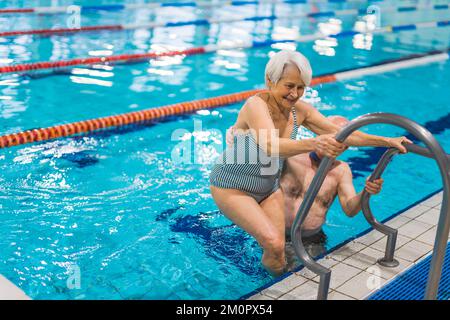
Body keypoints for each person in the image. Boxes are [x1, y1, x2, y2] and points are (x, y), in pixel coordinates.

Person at [209, 50, 411, 276]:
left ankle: (272, 285)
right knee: (274, 243)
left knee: (279, 253)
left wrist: (386, 141)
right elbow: (269, 144)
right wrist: (315, 143)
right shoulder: (255, 105)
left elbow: (342, 134)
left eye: (301, 87)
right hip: (232, 186)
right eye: (289, 86)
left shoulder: (300, 111)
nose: (295, 94)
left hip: (268, 188)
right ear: (270, 81)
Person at [281, 115, 384, 259]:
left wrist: (367, 191)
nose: (335, 143)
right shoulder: (293, 156)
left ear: (346, 146)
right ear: (318, 133)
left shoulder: (341, 171)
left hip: (313, 239)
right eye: (331, 136)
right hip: (278, 233)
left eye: (341, 140)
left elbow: (350, 209)